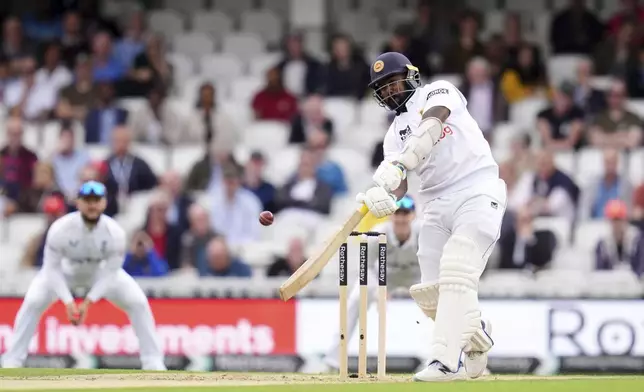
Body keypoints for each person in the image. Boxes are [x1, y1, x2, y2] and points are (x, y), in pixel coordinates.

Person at [359, 52, 506, 381]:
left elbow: (431, 126)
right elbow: (399, 186)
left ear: (411, 76)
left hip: (477, 190)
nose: (391, 92)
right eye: (382, 89)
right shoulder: (392, 134)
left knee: (457, 266)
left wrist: (400, 163)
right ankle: (476, 332)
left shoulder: (439, 91)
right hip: (435, 204)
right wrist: (383, 196)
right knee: (429, 293)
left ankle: (444, 361)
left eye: (394, 82)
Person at [0, 181, 167, 371]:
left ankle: (153, 363)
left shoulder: (115, 233)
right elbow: (51, 270)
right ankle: (12, 363)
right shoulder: (60, 229)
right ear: (78, 202)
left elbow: (111, 273)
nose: (92, 205)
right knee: (33, 301)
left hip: (100, 273)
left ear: (104, 203)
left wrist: (88, 301)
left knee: (137, 301)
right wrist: (68, 302)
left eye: (96, 200)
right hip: (65, 272)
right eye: (87, 200)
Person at [324, 196, 421, 369]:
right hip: (385, 276)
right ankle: (334, 356)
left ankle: (440, 357)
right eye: (397, 213)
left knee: (439, 302)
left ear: (413, 215)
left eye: (405, 213)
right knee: (356, 297)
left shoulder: (423, 233)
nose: (401, 219)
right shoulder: (377, 234)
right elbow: (366, 267)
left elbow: (433, 262)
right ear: (391, 216)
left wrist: (427, 289)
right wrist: (378, 289)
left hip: (417, 276)